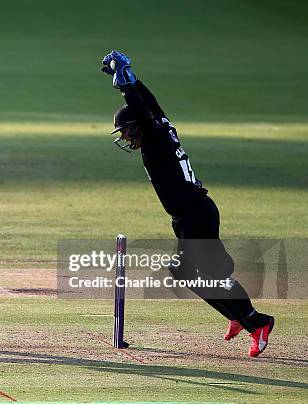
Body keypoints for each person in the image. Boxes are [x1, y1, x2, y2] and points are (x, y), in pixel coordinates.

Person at [100, 50, 274, 357]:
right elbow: (150, 104)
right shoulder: (160, 126)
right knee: (186, 272)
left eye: (127, 130)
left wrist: (127, 87)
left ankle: (256, 322)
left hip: (196, 214)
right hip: (189, 216)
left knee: (207, 274)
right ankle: (237, 315)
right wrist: (134, 80)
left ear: (139, 126)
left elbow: (142, 109)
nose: (126, 137)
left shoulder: (154, 135)